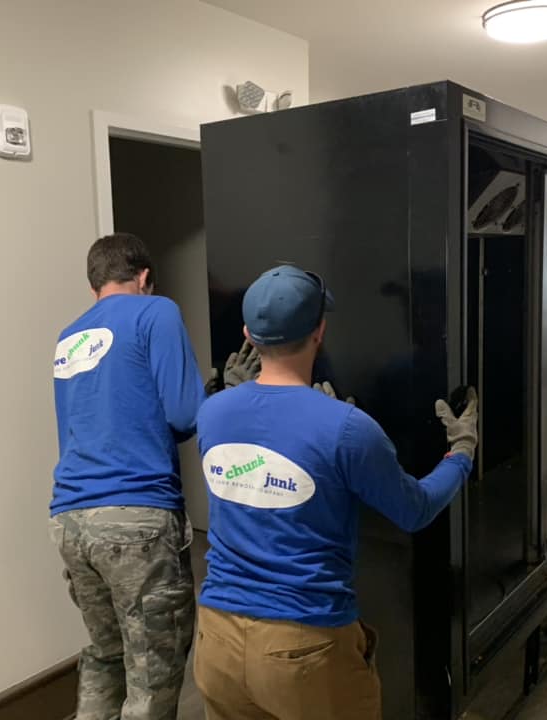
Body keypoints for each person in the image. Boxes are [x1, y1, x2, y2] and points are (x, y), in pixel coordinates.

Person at [192, 264, 479, 720]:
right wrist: (462, 450)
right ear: (319, 330)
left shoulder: (211, 414)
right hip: (304, 648)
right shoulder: (347, 429)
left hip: (216, 641)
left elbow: (255, 477)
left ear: (249, 333)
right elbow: (414, 509)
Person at [48, 233, 206, 720]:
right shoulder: (156, 310)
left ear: (94, 282)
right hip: (135, 518)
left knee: (106, 652)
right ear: (143, 277)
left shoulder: (68, 338)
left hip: (70, 518)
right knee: (152, 670)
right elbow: (184, 414)